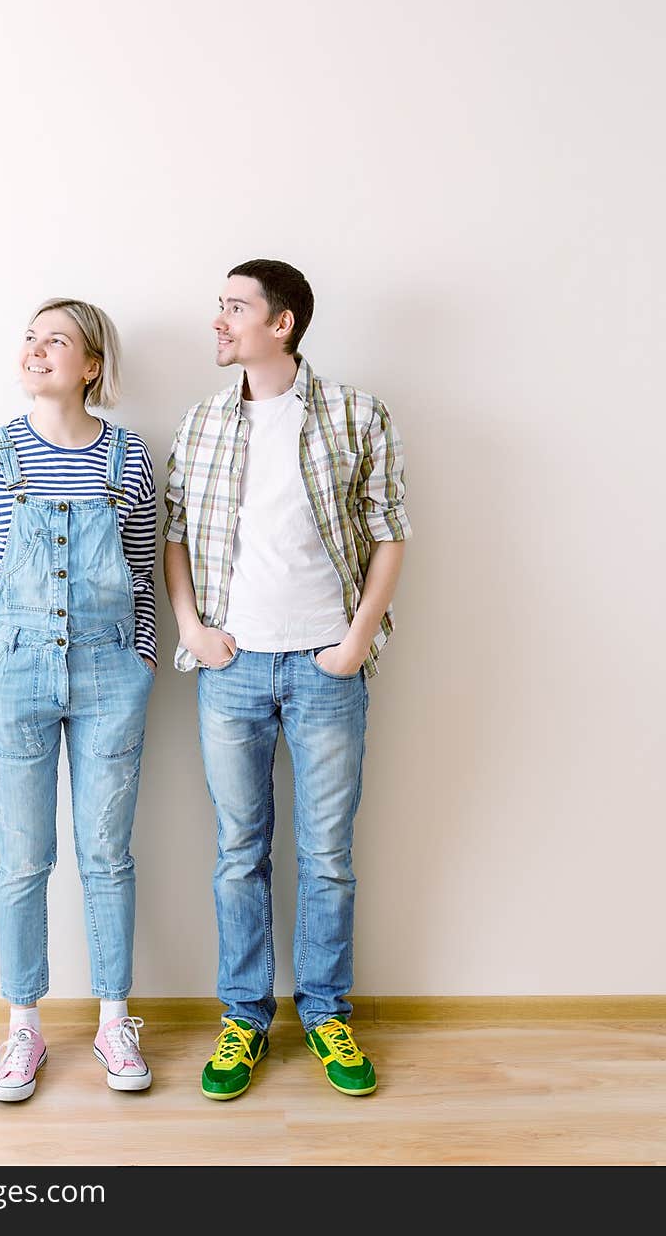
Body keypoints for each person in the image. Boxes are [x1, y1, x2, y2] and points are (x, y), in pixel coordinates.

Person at [163, 259, 412, 1101]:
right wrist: (193, 628)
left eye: (235, 308)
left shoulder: (356, 412)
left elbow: (389, 532)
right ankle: (243, 1018)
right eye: (219, 307)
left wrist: (356, 640)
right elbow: (175, 537)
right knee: (239, 853)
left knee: (329, 856)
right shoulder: (199, 423)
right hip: (230, 670)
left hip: (326, 666)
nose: (219, 321)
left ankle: (326, 1010)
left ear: (284, 323)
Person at [0, 297, 156, 1101]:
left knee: (107, 856)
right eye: (30, 336)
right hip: (16, 676)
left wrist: (140, 658)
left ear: (91, 364)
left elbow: (141, 571)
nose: (36, 348)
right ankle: (23, 1029)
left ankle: (113, 1020)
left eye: (56, 339)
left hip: (111, 677)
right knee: (22, 859)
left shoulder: (127, 459)